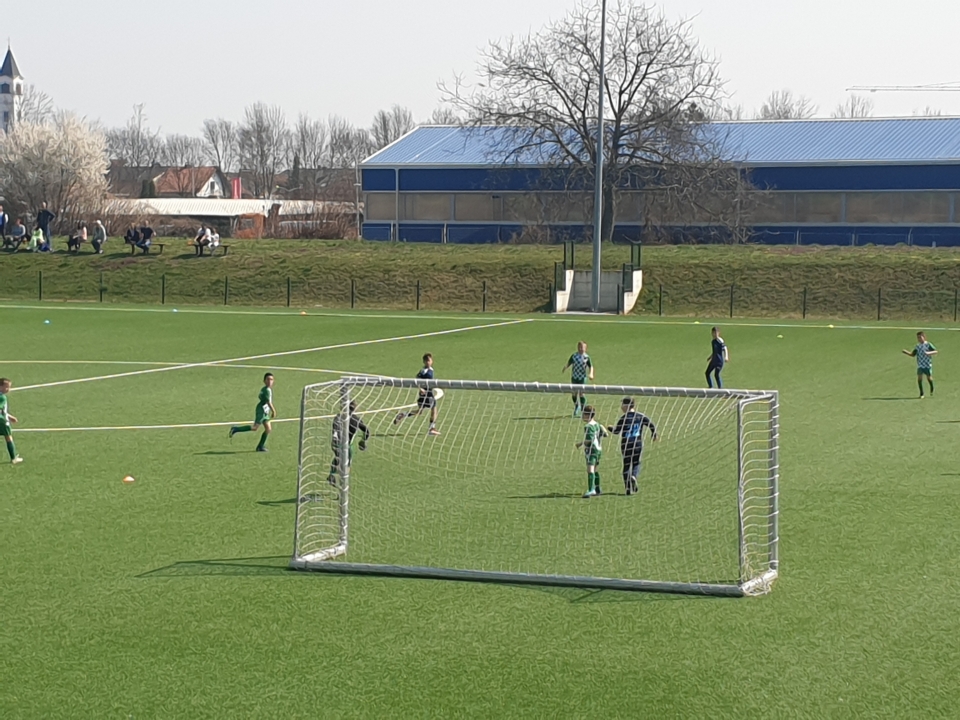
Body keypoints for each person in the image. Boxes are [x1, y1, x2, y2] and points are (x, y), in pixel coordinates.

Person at [607, 397, 658, 496]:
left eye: (622, 405)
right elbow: (651, 424)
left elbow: (616, 431)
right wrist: (654, 434)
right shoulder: (640, 416)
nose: (621, 407)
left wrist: (609, 428)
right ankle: (634, 476)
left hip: (626, 444)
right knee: (636, 463)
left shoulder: (623, 418)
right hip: (637, 443)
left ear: (626, 406)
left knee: (626, 465)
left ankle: (627, 488)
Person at [394, 353, 441, 436]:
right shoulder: (424, 370)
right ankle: (431, 429)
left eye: (429, 360)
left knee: (419, 412)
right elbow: (416, 379)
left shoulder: (431, 369)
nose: (428, 362)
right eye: (426, 361)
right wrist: (420, 389)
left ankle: (403, 414)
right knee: (434, 409)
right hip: (427, 393)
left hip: (427, 393)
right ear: (424, 362)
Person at [229, 373, 276, 452]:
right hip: (261, 410)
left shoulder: (265, 389)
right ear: (264, 381)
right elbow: (268, 402)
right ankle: (235, 429)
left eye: (271, 379)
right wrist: (273, 411)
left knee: (268, 429)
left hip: (265, 411)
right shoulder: (266, 390)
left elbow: (260, 396)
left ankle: (260, 446)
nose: (269, 381)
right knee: (255, 428)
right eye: (268, 379)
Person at [327, 401, 370, 485]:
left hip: (336, 443)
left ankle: (332, 475)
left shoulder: (338, 417)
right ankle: (343, 483)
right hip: (347, 446)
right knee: (346, 463)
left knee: (338, 457)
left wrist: (335, 437)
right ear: (355, 409)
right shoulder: (356, 420)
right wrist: (363, 441)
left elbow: (335, 428)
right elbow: (367, 431)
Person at [575, 405, 606, 498]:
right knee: (595, 469)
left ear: (587, 415)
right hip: (598, 450)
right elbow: (606, 434)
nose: (582, 416)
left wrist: (580, 443)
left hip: (592, 450)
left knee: (590, 470)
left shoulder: (588, 426)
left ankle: (591, 490)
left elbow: (590, 439)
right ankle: (597, 489)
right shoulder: (597, 424)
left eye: (583, 414)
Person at [561, 341, 594, 417]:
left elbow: (591, 366)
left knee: (581, 393)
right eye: (579, 347)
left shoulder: (586, 357)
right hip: (574, 377)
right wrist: (565, 367)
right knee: (574, 393)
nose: (581, 349)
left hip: (582, 378)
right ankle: (576, 406)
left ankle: (583, 409)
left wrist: (591, 373)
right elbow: (569, 362)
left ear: (585, 348)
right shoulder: (574, 356)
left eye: (582, 348)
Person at [903, 331, 937, 398]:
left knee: (929, 378)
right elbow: (913, 354)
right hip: (920, 365)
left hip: (927, 365)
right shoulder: (917, 346)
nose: (919, 339)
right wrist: (906, 352)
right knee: (919, 378)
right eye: (918, 338)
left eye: (920, 337)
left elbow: (935, 351)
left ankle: (932, 387)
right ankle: (921, 393)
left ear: (924, 337)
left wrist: (928, 353)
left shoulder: (928, 344)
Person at [0, 378, 24, 465]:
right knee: (8, 437)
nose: (8, 389)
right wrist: (7, 418)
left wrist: (11, 417)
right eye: (6, 387)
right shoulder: (2, 397)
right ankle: (13, 458)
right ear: (0, 386)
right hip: (2, 421)